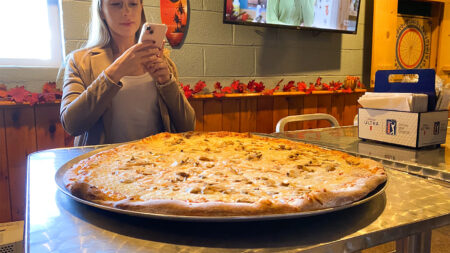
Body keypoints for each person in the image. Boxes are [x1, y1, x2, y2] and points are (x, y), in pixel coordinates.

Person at [59, 0, 195, 146]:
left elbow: (188, 127)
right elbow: (71, 124)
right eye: (116, 4)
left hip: (156, 162)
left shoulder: (162, 61)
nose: (126, 12)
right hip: (102, 164)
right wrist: (115, 71)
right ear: (101, 12)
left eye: (133, 4)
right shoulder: (80, 62)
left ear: (141, 8)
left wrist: (167, 83)